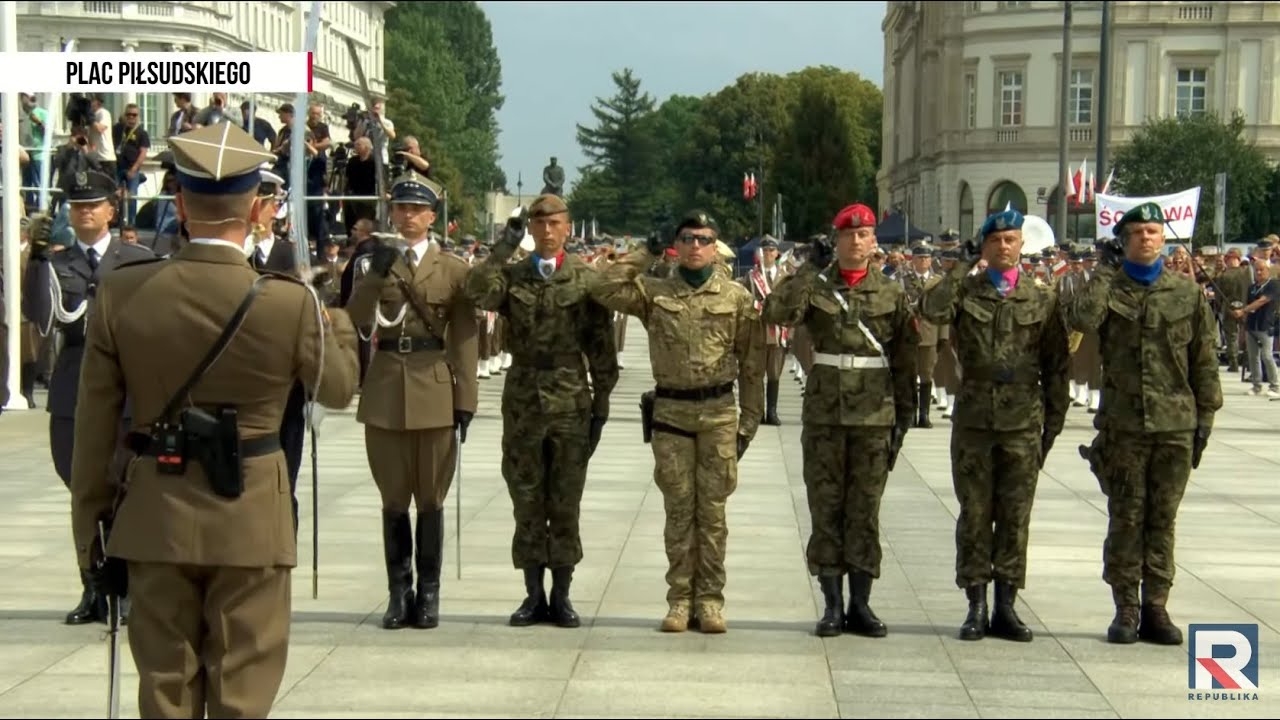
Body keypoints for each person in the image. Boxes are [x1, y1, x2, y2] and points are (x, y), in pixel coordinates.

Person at [68, 121, 359, 718]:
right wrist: (335, 317)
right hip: (250, 516)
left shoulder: (122, 294)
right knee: (242, 693)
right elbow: (338, 388)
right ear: (257, 209)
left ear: (179, 203)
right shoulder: (288, 301)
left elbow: (94, 429)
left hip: (156, 516)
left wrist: (90, 535)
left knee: (165, 689)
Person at [591, 210, 764, 634]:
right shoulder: (654, 292)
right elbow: (602, 287)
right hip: (671, 414)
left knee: (713, 513)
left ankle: (710, 600)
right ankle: (679, 599)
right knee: (678, 511)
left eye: (703, 238)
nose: (695, 246)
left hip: (719, 414)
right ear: (676, 245)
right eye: (686, 238)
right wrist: (645, 252)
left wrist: (749, 423)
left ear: (715, 245)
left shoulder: (736, 297)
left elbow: (753, 365)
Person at [1070, 202, 1222, 645]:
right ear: (1123, 239)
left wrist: (1206, 417)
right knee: (1126, 516)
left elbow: (1204, 360)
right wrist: (1103, 271)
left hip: (1175, 424)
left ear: (1164, 238)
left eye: (1153, 231)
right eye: (1136, 232)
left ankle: (1156, 605)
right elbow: (1082, 320)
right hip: (1124, 426)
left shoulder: (1186, 293)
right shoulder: (1109, 288)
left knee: (1163, 518)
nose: (1146, 238)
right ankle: (1125, 608)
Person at [763, 203, 917, 638]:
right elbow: (776, 314)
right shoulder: (817, 286)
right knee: (825, 507)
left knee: (865, 510)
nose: (856, 241)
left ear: (874, 242)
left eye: (864, 234)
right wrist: (806, 270)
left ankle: (861, 604)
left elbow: (905, 360)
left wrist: (903, 418)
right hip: (826, 416)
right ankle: (832, 604)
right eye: (848, 235)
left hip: (873, 415)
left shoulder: (891, 292)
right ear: (837, 240)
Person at [465, 195, 618, 627]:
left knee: (566, 500)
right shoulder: (512, 275)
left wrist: (601, 408)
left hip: (571, 400)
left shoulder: (585, 279)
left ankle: (563, 595)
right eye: (538, 223)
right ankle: (533, 595)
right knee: (526, 499)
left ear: (568, 227)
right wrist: (500, 248)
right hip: (524, 399)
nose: (546, 230)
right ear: (529, 229)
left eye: (554, 223)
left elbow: (601, 348)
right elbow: (476, 293)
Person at [920, 208, 1071, 642]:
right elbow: (931, 309)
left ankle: (1007, 604)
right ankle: (976, 603)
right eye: (995, 241)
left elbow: (1057, 365)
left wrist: (1052, 425)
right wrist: (962, 266)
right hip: (975, 421)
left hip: (1023, 421)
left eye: (1010, 239)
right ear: (984, 247)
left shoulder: (1042, 298)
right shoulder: (965, 292)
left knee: (1015, 517)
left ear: (1022, 245)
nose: (1004, 247)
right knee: (974, 514)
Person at [346, 170, 479, 630]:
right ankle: (398, 593)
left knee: (431, 498)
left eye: (417, 209)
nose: (407, 217)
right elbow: (357, 322)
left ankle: (430, 593)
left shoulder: (454, 269)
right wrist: (375, 273)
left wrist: (466, 399)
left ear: (432, 216)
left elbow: (464, 337)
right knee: (393, 498)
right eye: (401, 208)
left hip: (435, 387)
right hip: (385, 387)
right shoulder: (373, 264)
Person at [23, 169, 154, 625]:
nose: (84, 212)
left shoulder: (137, 258)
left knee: (126, 489)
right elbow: (38, 316)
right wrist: (36, 261)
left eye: (93, 205)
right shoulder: (56, 264)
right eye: (77, 207)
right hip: (74, 388)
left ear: (111, 211)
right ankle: (92, 588)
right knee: (81, 491)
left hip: (126, 389)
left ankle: (125, 585)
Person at [741, 235, 788, 425]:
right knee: (757, 373)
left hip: (778, 331)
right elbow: (743, 299)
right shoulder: (751, 277)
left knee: (775, 373)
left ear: (777, 253)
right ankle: (759, 411)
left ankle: (772, 411)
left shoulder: (785, 277)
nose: (768, 254)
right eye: (764, 251)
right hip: (758, 330)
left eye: (771, 250)